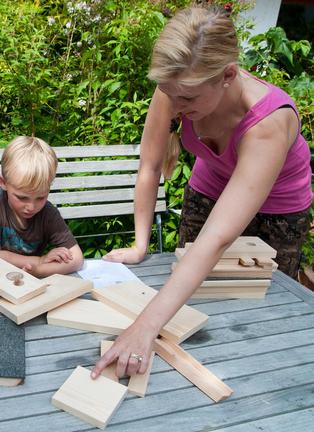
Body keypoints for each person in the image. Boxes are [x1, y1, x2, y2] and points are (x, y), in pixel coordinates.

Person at [93, 5, 312, 380]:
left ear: (228, 75)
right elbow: (149, 166)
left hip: (279, 210)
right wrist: (140, 244)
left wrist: (143, 328)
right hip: (209, 188)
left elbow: (217, 238)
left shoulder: (269, 122)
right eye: (169, 94)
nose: (175, 107)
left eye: (187, 100)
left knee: (262, 307)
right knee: (193, 297)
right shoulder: (179, 85)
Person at [0, 136, 84, 277]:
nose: (31, 206)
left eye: (41, 197)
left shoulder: (48, 213)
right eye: (22, 197)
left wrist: (39, 271)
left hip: (19, 275)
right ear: (3, 182)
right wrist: (40, 261)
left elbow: (77, 259)